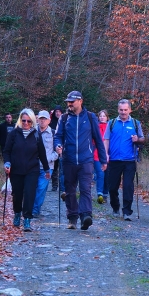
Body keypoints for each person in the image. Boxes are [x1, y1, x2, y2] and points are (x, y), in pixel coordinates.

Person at [53, 91, 107, 230]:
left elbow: (98, 139)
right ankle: (72, 218)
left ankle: (86, 216)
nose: (69, 104)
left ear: (80, 101)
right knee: (70, 190)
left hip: (86, 160)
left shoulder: (90, 117)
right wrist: (57, 146)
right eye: (68, 102)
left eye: (72, 101)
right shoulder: (64, 118)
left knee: (85, 188)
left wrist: (103, 160)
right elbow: (58, 136)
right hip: (68, 159)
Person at [3, 109, 51, 232]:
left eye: (28, 121)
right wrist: (7, 163)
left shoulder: (36, 135)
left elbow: (42, 153)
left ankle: (27, 220)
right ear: (20, 120)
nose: (26, 123)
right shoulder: (13, 134)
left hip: (32, 170)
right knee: (17, 194)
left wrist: (46, 169)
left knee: (30, 194)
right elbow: (6, 151)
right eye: (23, 120)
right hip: (16, 170)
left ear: (32, 121)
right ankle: (17, 214)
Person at [103, 100, 145, 221]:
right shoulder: (111, 123)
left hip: (129, 160)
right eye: (121, 110)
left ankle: (127, 211)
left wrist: (137, 139)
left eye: (125, 110)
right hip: (114, 159)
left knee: (128, 186)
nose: (123, 112)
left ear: (130, 110)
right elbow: (106, 139)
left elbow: (142, 139)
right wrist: (105, 154)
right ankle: (115, 207)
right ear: (118, 110)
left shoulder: (135, 123)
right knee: (112, 187)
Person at [32, 110, 58, 217]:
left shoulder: (54, 133)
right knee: (31, 188)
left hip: (47, 167)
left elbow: (57, 151)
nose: (42, 121)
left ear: (49, 120)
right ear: (37, 119)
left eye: (44, 119)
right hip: (32, 166)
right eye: (40, 119)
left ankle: (35, 210)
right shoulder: (32, 131)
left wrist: (49, 159)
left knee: (41, 188)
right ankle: (29, 208)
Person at [94, 110, 109, 204]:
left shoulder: (110, 127)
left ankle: (105, 194)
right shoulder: (95, 127)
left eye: (104, 116)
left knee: (107, 175)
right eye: (101, 116)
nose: (102, 117)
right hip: (97, 154)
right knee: (100, 173)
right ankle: (100, 194)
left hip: (108, 154)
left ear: (107, 117)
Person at [50, 105, 64, 191]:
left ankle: (62, 186)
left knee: (62, 167)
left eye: (59, 112)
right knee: (54, 167)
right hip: (53, 146)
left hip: (63, 146)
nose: (58, 113)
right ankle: (54, 185)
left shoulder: (65, 121)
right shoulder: (51, 122)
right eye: (56, 112)